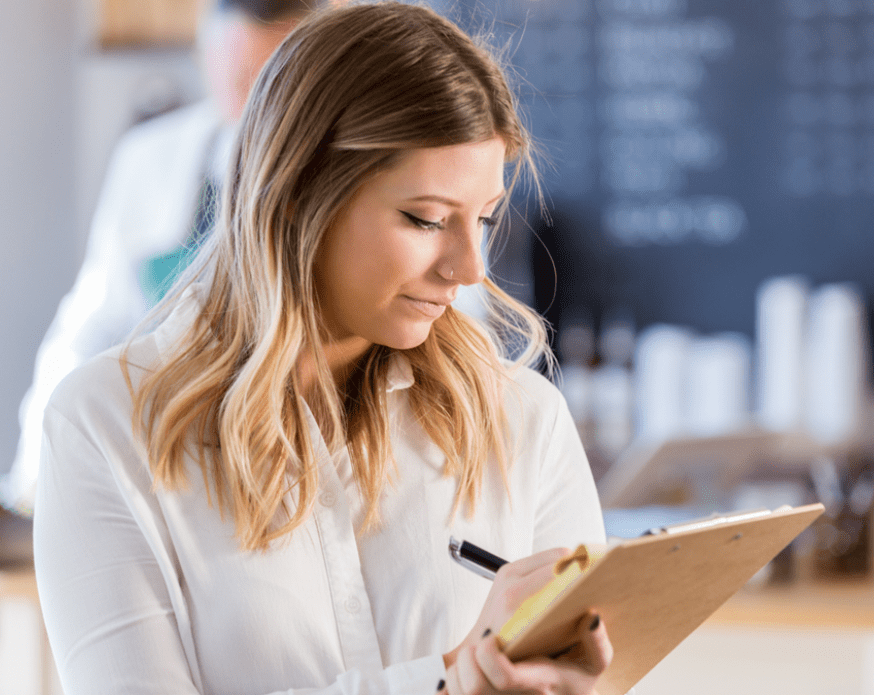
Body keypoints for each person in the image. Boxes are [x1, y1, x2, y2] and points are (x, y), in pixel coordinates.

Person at [34, 4, 612, 695]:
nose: (468, 269)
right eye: (425, 218)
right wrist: (450, 682)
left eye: (482, 219)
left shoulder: (524, 420)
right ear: (301, 195)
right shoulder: (107, 429)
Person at [5, 0, 312, 514]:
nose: (251, 101)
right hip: (159, 455)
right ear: (207, 56)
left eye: (270, 77)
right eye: (238, 80)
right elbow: (95, 322)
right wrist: (37, 471)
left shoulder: (344, 166)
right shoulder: (149, 158)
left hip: (280, 456)